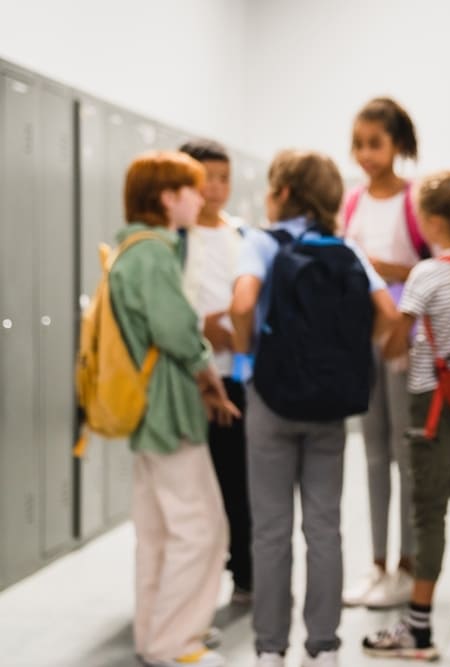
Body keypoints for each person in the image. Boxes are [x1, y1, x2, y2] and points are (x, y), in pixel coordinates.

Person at [230, 149, 398, 667]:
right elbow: (389, 314)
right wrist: (349, 358)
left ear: (282, 194)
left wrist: (246, 362)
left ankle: (270, 648)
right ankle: (323, 645)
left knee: (271, 528)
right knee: (325, 526)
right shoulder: (347, 250)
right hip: (330, 407)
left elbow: (240, 305)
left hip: (272, 401)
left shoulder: (260, 242)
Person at [361, 172, 450, 661]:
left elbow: (395, 342)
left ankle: (418, 629)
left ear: (434, 220)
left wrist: (386, 324)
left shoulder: (427, 274)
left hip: (432, 406)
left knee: (426, 511)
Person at [114, 151, 240, 667]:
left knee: (158, 532)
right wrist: (209, 374)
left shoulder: (131, 250)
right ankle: (176, 642)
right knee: (201, 527)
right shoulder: (155, 255)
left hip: (147, 412)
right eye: (192, 188)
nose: (202, 196)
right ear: (168, 198)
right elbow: (177, 332)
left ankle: (154, 637)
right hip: (170, 410)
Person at [342, 97, 428, 610]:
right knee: (372, 454)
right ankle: (376, 565)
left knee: (405, 456)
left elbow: (434, 272)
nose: (365, 154)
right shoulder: (351, 202)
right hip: (361, 339)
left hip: (404, 341)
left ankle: (407, 566)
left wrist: (384, 268)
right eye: (358, 144)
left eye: (374, 143)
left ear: (397, 144)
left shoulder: (415, 202)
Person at [178, 138, 253, 605]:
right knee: (193, 488)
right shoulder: (176, 238)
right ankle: (193, 586)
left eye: (224, 178)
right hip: (189, 377)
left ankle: (245, 572)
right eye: (206, 179)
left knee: (238, 482)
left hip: (237, 376)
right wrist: (203, 328)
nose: (216, 189)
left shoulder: (240, 234)